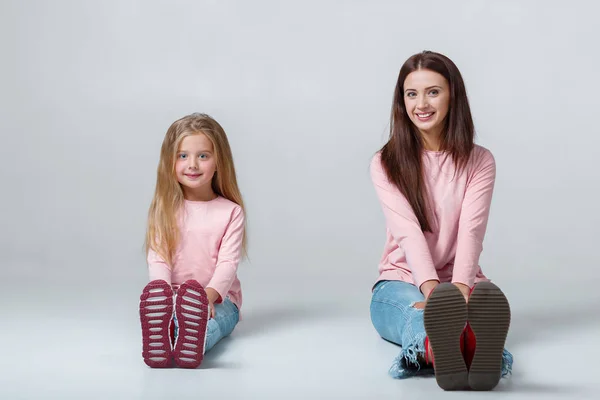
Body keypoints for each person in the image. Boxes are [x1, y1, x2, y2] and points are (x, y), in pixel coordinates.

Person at [369, 50, 513, 391]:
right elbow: (408, 234)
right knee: (419, 315)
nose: (422, 103)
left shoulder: (480, 161)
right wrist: (434, 293)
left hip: (463, 281)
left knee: (473, 312)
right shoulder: (386, 161)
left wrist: (461, 289)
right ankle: (448, 348)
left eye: (433, 91)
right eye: (411, 93)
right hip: (401, 281)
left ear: (453, 96)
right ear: (401, 100)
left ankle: (471, 348)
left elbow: (471, 231)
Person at [138, 112, 246, 369]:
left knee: (211, 323)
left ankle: (190, 344)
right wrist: (162, 294)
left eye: (203, 156)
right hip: (173, 297)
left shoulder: (231, 212)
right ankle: (165, 339)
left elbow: (228, 263)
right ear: (170, 162)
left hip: (219, 299)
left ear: (219, 161)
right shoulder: (164, 209)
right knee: (172, 319)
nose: (193, 165)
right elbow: (159, 258)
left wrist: (207, 297)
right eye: (183, 155)